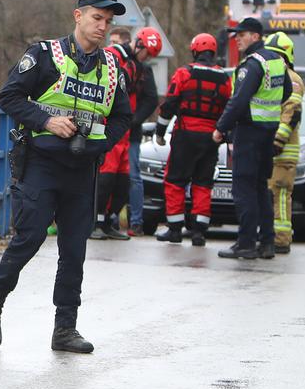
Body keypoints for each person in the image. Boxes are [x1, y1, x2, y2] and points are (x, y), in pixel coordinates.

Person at [0, 0, 132, 354]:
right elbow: (9, 97)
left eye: (108, 21)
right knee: (30, 237)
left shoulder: (112, 68)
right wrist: (46, 121)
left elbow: (122, 116)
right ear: (78, 16)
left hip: (82, 169)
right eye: (97, 18)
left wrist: (100, 144)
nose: (102, 26)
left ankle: (65, 329)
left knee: (74, 251)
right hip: (42, 163)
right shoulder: (46, 56)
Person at [214, 17, 291, 260]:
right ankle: (267, 243)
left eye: (242, 35)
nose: (237, 39)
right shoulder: (276, 61)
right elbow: (287, 90)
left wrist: (221, 128)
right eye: (236, 35)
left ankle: (246, 243)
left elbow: (238, 101)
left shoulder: (252, 64)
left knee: (244, 189)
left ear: (255, 36)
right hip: (268, 132)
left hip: (248, 132)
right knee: (260, 188)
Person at [153, 32, 232, 245]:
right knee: (203, 183)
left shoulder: (184, 73)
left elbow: (169, 104)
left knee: (175, 181)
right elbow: (229, 108)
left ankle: (175, 229)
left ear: (195, 51)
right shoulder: (225, 78)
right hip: (211, 137)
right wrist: (225, 134)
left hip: (185, 134)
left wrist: (159, 132)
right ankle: (199, 232)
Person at [92, 30, 141, 240]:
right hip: (109, 127)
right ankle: (95, 223)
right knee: (105, 179)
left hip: (124, 131)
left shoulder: (135, 64)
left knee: (122, 182)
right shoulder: (112, 56)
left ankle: (107, 222)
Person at [265, 32, 305, 255]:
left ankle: (281, 239)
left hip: (283, 150)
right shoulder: (273, 75)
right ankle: (270, 235)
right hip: (270, 148)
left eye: (276, 55)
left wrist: (277, 141)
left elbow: (291, 113)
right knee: (269, 194)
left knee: (279, 194)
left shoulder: (292, 79)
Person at [126, 27, 163, 233]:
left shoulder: (144, 71)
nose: (147, 58)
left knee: (133, 176)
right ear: (139, 44)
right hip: (111, 131)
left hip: (131, 133)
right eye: (147, 53)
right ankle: (105, 217)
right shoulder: (119, 60)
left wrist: (134, 121)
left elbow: (151, 100)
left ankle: (136, 221)